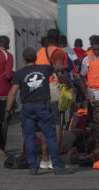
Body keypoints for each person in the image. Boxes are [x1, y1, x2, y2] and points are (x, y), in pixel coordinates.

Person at [5, 47, 73, 175]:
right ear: (36, 58)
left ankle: (33, 167)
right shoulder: (45, 69)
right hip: (43, 107)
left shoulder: (19, 74)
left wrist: (8, 111)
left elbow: (12, 93)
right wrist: (68, 80)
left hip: (27, 108)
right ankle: (57, 165)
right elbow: (58, 69)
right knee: (51, 136)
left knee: (29, 137)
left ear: (23, 59)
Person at [35, 29, 73, 169]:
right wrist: (69, 86)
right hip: (54, 89)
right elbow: (59, 72)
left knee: (45, 126)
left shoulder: (39, 52)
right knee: (57, 125)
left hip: (39, 90)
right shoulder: (58, 52)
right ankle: (55, 159)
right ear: (58, 39)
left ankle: (45, 159)